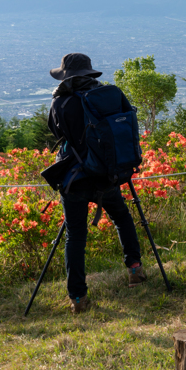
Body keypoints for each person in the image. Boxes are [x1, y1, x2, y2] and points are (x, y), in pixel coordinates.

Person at [47, 52, 146, 314]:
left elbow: (57, 132)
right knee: (122, 217)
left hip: (76, 178)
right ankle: (135, 269)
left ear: (66, 75)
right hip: (108, 174)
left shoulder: (62, 103)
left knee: (75, 236)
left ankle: (78, 298)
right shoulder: (108, 95)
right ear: (90, 73)